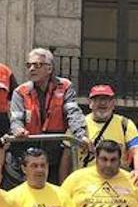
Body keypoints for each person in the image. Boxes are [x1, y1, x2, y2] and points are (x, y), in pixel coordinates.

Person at [9, 48, 87, 181]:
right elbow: (16, 119)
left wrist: (81, 135)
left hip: (54, 152)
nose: (32, 69)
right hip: (27, 149)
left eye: (37, 65)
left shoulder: (65, 87)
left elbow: (73, 113)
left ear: (49, 68)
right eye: (29, 65)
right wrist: (18, 130)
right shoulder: (20, 91)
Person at [83, 85, 138, 174]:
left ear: (113, 103)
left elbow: (137, 150)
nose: (102, 103)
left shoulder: (125, 124)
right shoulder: (79, 125)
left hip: (117, 180)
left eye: (107, 99)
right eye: (98, 99)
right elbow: (67, 155)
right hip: (85, 181)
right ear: (90, 103)